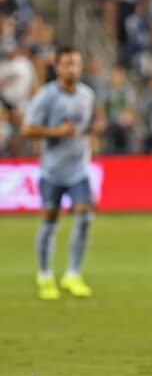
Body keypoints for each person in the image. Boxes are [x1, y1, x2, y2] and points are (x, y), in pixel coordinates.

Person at [21, 47, 96, 300]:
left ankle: (73, 274)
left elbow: (83, 128)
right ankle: (44, 276)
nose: (72, 68)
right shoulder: (46, 96)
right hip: (52, 171)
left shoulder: (87, 95)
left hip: (79, 170)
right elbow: (28, 129)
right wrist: (56, 133)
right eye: (67, 64)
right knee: (50, 221)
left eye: (76, 63)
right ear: (57, 67)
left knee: (85, 217)